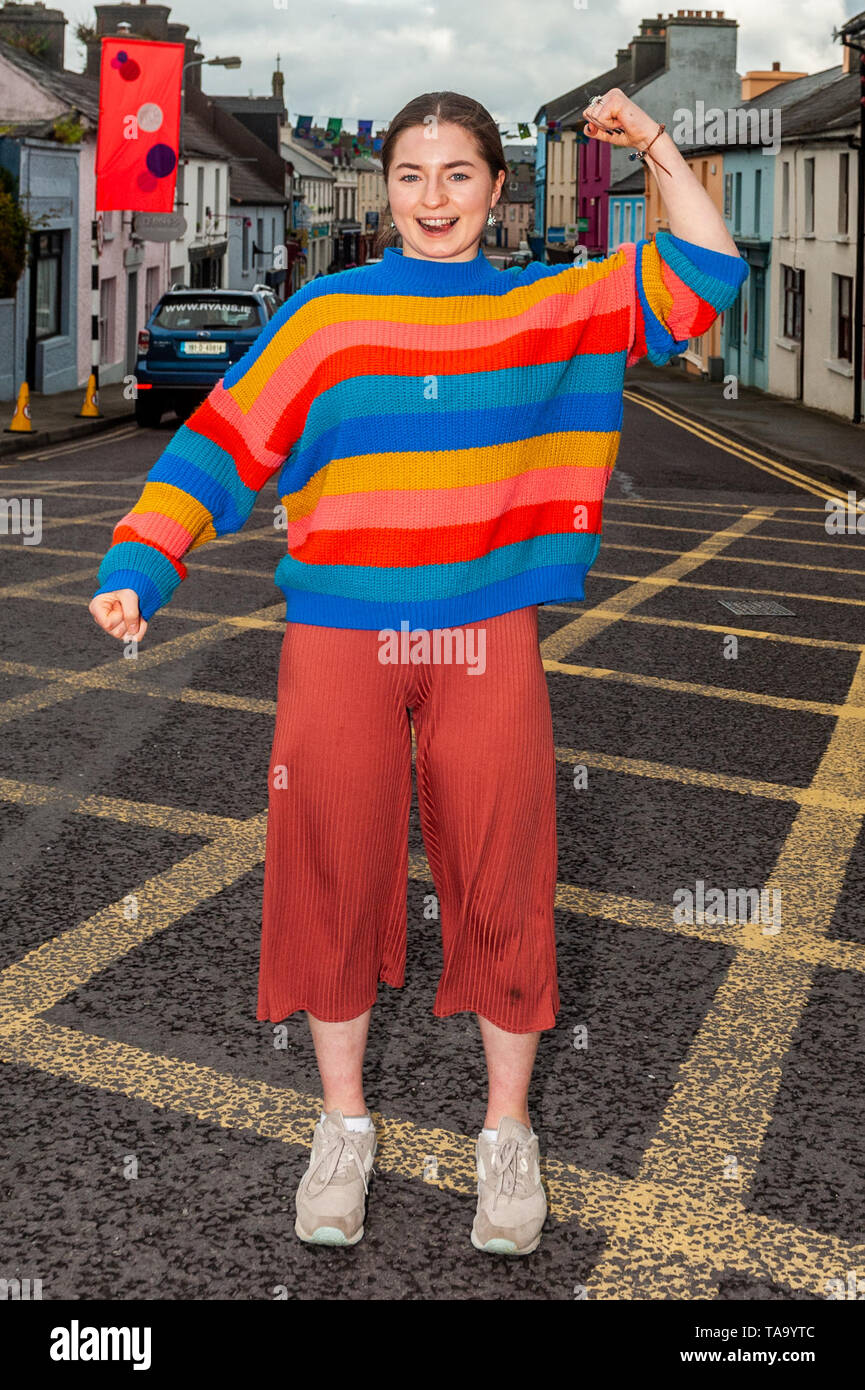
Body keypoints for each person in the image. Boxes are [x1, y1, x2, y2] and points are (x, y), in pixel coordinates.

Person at [88, 89, 747, 1257]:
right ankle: (342, 1127)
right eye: (409, 175)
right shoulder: (322, 317)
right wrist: (146, 557)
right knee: (330, 859)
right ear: (383, 188)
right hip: (338, 637)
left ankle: (505, 1135)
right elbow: (226, 439)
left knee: (502, 868)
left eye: (456, 175)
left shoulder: (552, 305)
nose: (432, 199)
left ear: (498, 188)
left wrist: (649, 142)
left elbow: (704, 271)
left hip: (483, 633)